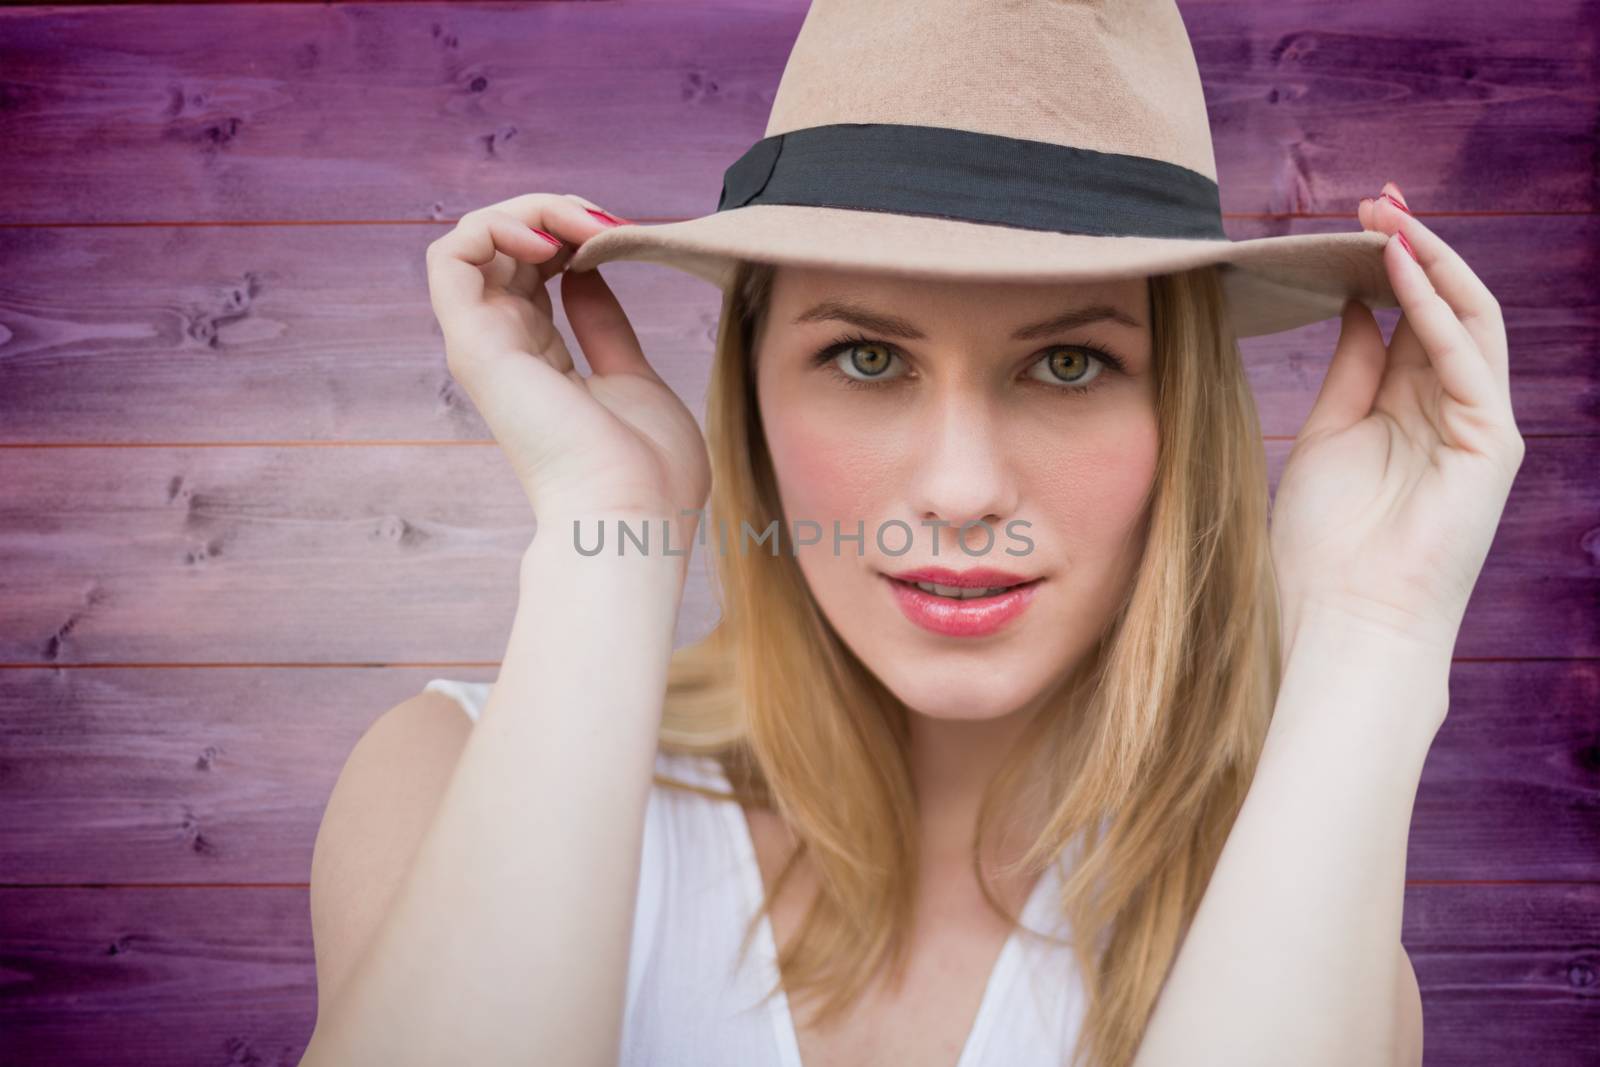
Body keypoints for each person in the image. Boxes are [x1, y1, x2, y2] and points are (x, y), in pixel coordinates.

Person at [297, 3, 1524, 1066]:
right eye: (867, 355)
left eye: (1068, 360)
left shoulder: (1307, 935)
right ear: (752, 390)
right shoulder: (445, 781)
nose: (959, 485)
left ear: (1178, 414)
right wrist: (603, 541)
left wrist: (1375, 628)